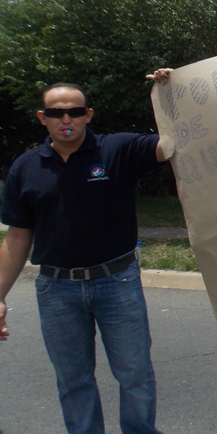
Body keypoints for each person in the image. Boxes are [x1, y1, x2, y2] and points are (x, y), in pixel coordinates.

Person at [0, 68, 173, 434]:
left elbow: (171, 144)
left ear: (88, 115)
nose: (67, 119)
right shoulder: (26, 168)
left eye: (76, 112)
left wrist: (172, 93)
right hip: (56, 290)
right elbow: (17, 238)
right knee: (73, 381)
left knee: (135, 375)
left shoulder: (117, 149)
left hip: (117, 282)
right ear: (42, 117)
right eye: (57, 113)